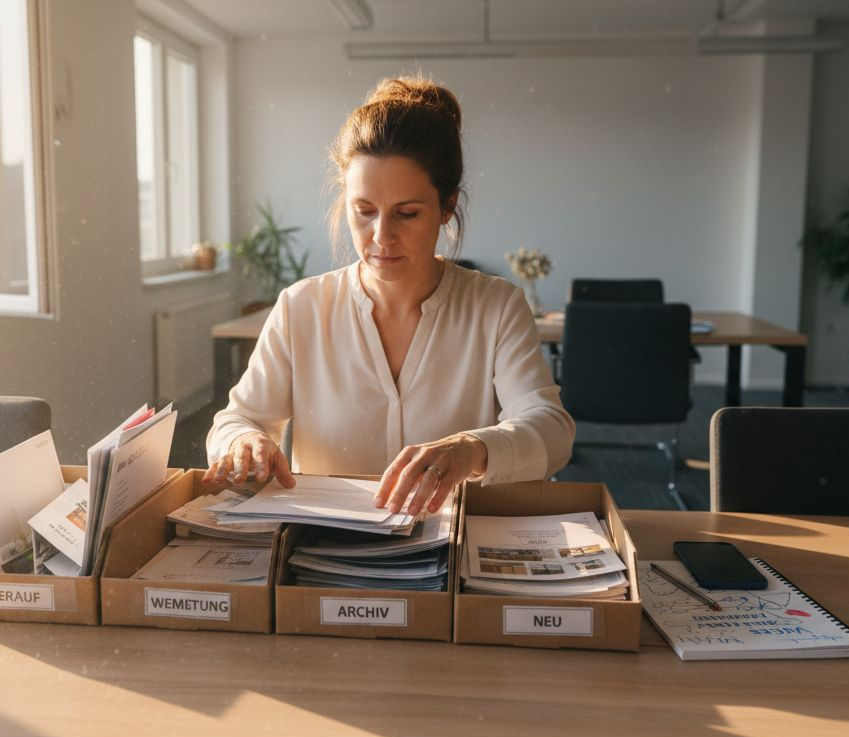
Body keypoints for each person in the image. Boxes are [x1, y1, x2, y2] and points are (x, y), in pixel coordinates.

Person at [204, 75, 573, 517]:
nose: (382, 236)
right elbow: (235, 419)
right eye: (364, 212)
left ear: (447, 207)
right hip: (324, 547)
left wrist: (472, 447)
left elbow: (551, 429)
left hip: (447, 550)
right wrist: (242, 440)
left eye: (407, 213)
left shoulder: (495, 307)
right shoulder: (302, 306)